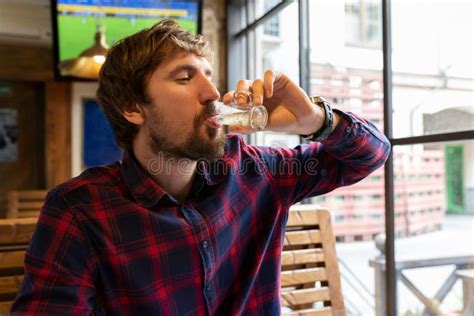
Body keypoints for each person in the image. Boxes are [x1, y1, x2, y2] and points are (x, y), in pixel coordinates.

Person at [11, 20, 390, 315]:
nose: (211, 94)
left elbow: (370, 154)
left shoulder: (255, 172)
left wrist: (314, 122)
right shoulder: (80, 211)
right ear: (133, 108)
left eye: (209, 74)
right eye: (184, 77)